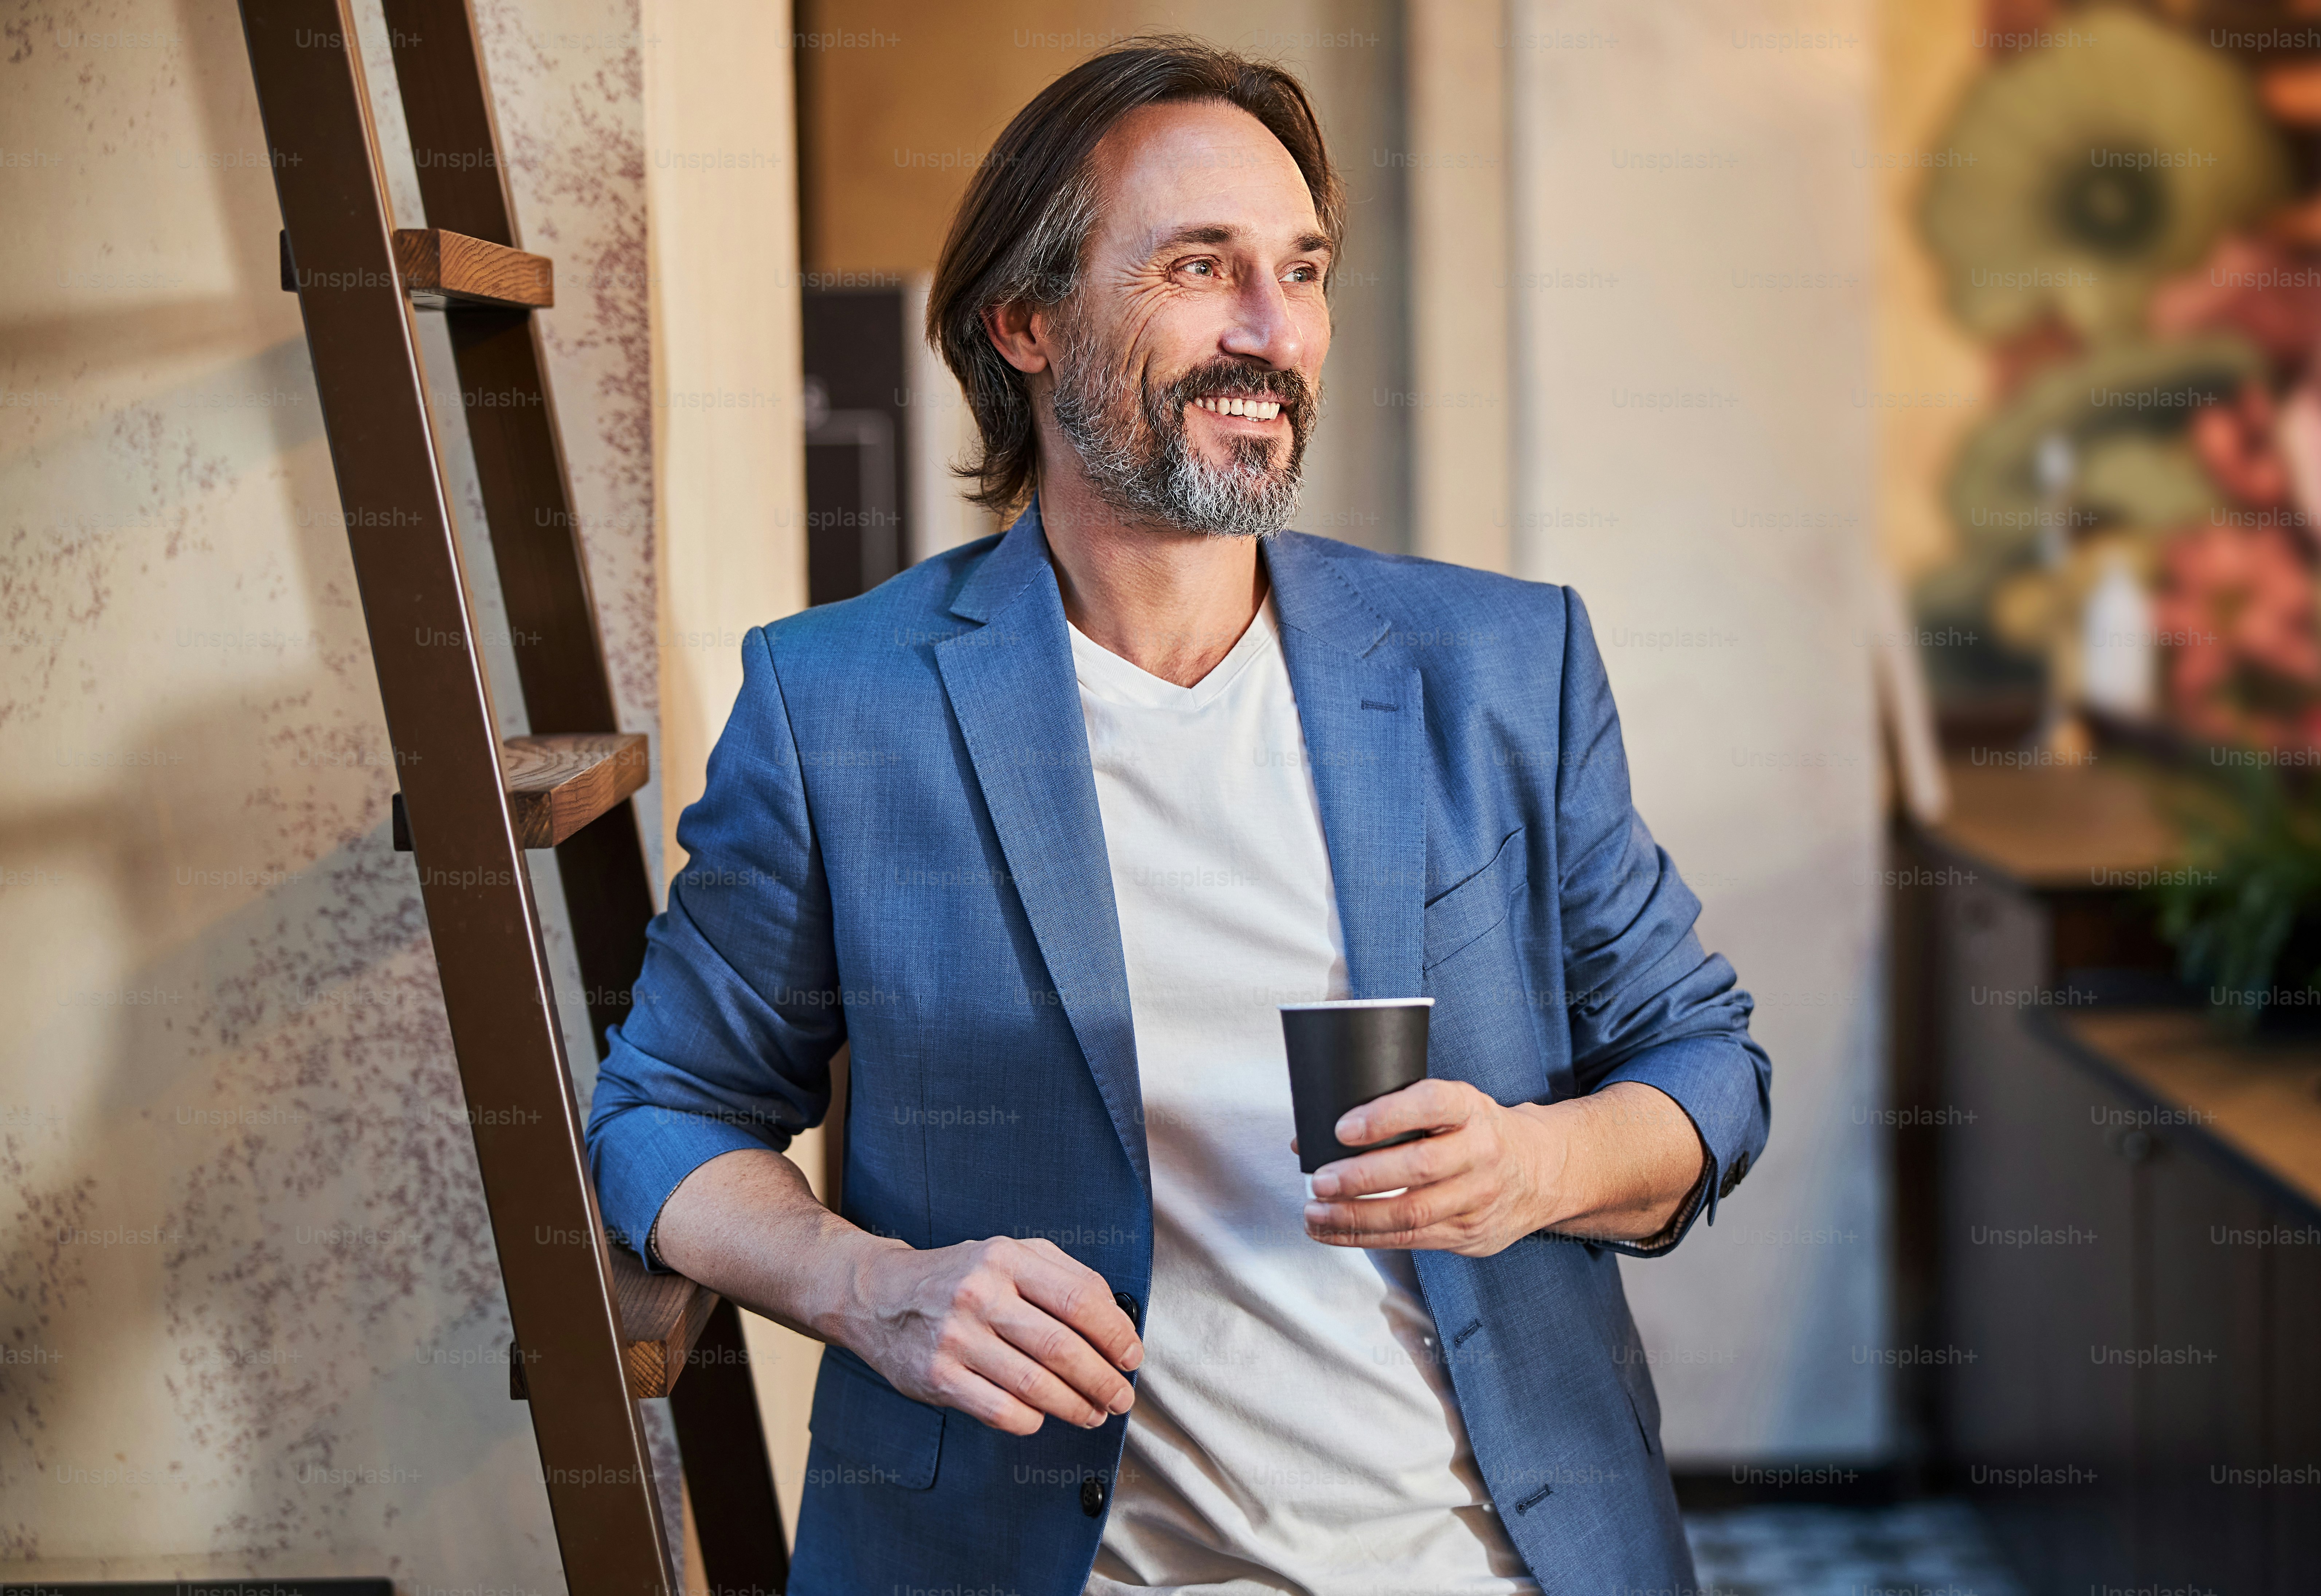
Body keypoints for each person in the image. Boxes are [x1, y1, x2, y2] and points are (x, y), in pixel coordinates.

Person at [588, 35, 1771, 1596]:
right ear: (1024, 320)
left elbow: (1706, 1070)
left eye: (1299, 270)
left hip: (1489, 1562)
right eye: (1200, 270)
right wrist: (863, 1286)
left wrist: (1534, 1166)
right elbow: (659, 1112)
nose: (1269, 333)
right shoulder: (841, 705)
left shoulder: (1496, 663)